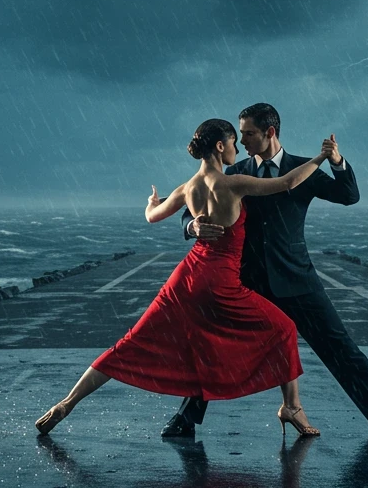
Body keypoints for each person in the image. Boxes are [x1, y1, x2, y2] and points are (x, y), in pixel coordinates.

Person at [35, 118, 336, 437]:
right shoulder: (234, 184)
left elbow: (152, 217)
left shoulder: (187, 188)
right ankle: (291, 406)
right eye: (233, 142)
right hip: (221, 283)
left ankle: (67, 402)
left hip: (185, 280)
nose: (237, 148)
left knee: (128, 345)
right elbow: (288, 183)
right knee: (285, 329)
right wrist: (320, 159)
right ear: (220, 146)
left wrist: (152, 203)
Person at [163, 103, 368, 438]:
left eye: (249, 133)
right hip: (247, 282)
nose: (242, 141)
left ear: (270, 133)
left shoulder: (301, 169)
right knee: (214, 345)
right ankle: (185, 418)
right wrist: (191, 225)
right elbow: (194, 203)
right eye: (239, 134)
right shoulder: (235, 172)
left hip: (297, 279)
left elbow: (348, 195)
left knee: (340, 347)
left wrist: (337, 161)